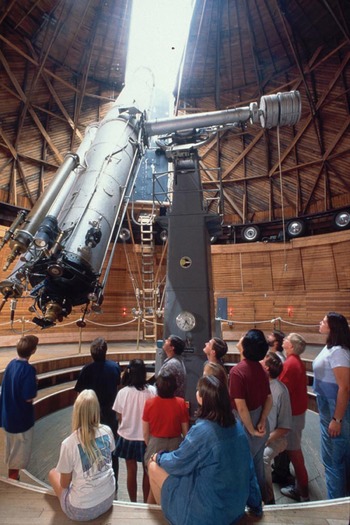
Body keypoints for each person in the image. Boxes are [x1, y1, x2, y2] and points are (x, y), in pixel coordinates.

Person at [148, 375, 262, 525]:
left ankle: (166, 519)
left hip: (206, 515)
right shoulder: (238, 427)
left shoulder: (202, 431)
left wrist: (159, 456)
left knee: (153, 466)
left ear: (202, 398)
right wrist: (256, 505)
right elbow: (249, 469)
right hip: (234, 509)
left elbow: (177, 463)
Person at [48, 389, 115, 522]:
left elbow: (64, 484)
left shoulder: (69, 443)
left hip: (80, 510)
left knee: (52, 473)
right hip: (109, 497)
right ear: (96, 409)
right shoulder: (107, 431)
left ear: (76, 412)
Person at [229, 329, 272, 503]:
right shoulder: (261, 369)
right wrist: (261, 420)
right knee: (257, 464)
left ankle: (251, 504)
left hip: (245, 425)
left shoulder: (237, 372)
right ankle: (263, 500)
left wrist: (251, 430)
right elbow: (268, 399)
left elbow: (241, 407)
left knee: (243, 468)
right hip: (260, 421)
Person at [74, 337, 121, 489]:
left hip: (90, 414)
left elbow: (80, 395)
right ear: (106, 351)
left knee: (89, 446)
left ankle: (91, 481)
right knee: (111, 449)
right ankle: (113, 482)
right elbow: (117, 386)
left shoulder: (86, 370)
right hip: (110, 413)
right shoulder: (114, 367)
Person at [313, 312, 350, 498]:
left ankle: (335, 506)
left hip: (334, 408)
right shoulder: (332, 348)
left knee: (332, 460)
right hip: (328, 405)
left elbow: (344, 388)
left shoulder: (338, 352)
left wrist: (337, 419)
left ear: (332, 327)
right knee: (338, 458)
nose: (320, 322)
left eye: (324, 321)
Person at [112, 359, 156, 502]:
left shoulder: (123, 393)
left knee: (131, 471)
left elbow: (119, 416)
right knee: (147, 472)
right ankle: (145, 503)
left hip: (127, 436)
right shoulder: (152, 391)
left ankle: (132, 502)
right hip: (147, 438)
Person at [142, 371, 189, 503]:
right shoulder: (180, 403)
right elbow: (186, 432)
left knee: (154, 483)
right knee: (174, 482)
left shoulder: (149, 403)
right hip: (176, 444)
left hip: (155, 443)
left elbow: (145, 433)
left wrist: (150, 444)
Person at [0, 334, 38, 480]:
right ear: (33, 351)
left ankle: (13, 475)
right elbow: (28, 397)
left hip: (8, 415)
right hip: (20, 419)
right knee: (19, 451)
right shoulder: (28, 370)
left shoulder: (11, 364)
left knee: (11, 447)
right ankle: (13, 478)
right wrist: (34, 383)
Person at [279, 333, 309, 502]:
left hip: (293, 416)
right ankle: (299, 488)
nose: (284, 340)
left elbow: (282, 390)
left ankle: (303, 494)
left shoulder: (290, 364)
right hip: (297, 413)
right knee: (295, 452)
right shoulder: (295, 361)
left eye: (287, 339)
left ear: (291, 346)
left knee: (295, 454)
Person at [262, 351, 292, 504]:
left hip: (276, 438)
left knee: (263, 458)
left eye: (263, 361)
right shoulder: (259, 384)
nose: (259, 361)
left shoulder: (280, 390)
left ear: (267, 369)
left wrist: (267, 438)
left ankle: (269, 499)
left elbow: (285, 427)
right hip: (259, 435)